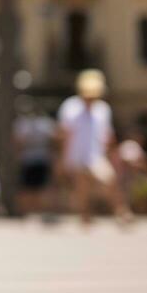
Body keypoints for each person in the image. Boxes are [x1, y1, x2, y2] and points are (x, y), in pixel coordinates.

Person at [56, 69, 134, 227]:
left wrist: (112, 154)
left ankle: (121, 211)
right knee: (82, 189)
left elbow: (107, 135)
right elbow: (64, 135)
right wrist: (63, 159)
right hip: (76, 156)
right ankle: (85, 218)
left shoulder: (103, 109)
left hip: (95, 156)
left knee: (109, 180)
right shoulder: (70, 107)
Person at [13, 103, 59, 222]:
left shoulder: (41, 124)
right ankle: (29, 213)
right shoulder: (30, 124)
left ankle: (35, 213)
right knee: (29, 188)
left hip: (38, 158)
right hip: (32, 158)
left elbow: (18, 142)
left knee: (37, 188)